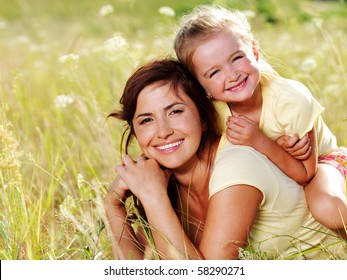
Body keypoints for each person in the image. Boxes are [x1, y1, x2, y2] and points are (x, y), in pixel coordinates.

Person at [104, 57, 346, 260]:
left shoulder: (237, 164)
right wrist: (113, 206)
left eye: (175, 111)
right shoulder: (166, 185)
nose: (163, 131)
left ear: (204, 117)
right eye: (146, 120)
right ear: (136, 132)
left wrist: (153, 199)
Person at [174, 4, 347, 236]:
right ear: (201, 87)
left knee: (327, 208)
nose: (232, 75)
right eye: (214, 72)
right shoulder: (211, 112)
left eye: (236, 58)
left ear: (254, 52)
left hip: (322, 164)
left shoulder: (291, 100)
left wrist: (260, 140)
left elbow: (306, 174)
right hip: (275, 176)